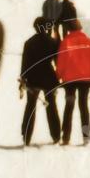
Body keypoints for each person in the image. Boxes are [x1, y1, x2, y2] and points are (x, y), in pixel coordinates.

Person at [56, 19, 90, 145]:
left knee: (69, 106)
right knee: (83, 106)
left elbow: (61, 62)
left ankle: (66, 137)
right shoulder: (89, 42)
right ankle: (86, 137)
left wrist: (58, 76)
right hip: (85, 80)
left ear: (69, 29)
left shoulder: (66, 42)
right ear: (80, 28)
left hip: (69, 80)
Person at [20, 17, 61, 146]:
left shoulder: (29, 43)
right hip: (49, 78)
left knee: (30, 107)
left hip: (32, 79)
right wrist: (59, 77)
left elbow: (25, 63)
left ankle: (26, 136)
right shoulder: (53, 42)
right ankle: (56, 135)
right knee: (52, 106)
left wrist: (23, 79)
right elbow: (57, 62)